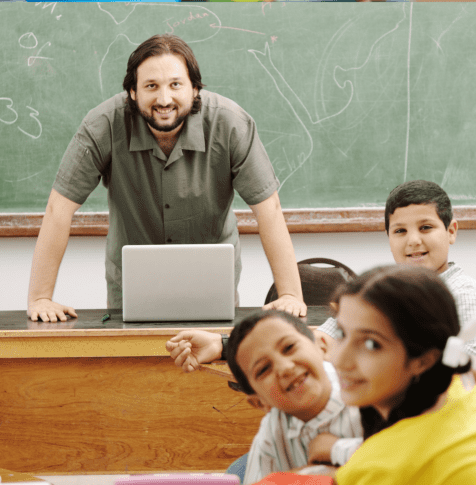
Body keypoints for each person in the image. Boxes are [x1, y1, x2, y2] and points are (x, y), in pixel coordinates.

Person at [27, 33, 306, 324]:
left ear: (195, 89)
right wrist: (40, 298)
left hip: (212, 285)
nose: (164, 99)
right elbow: (58, 210)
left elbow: (269, 210)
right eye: (151, 86)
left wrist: (289, 294)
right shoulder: (102, 125)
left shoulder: (232, 124)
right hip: (130, 289)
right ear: (132, 93)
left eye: (176, 85)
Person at [331, 265, 476, 485]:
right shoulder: (466, 392)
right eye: (341, 333)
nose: (339, 359)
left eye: (371, 344)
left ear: (423, 360)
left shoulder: (380, 469)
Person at [315, 180, 476, 401]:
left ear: (451, 231)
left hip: (457, 426)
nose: (413, 240)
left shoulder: (472, 297)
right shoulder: (379, 295)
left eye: (425, 227)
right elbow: (322, 340)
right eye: (400, 231)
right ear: (389, 237)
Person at [212, 310, 363, 485]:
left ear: (322, 347)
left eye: (289, 347)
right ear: (259, 402)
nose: (285, 367)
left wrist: (337, 449)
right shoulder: (271, 433)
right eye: (264, 369)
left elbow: (404, 462)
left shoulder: (367, 395)